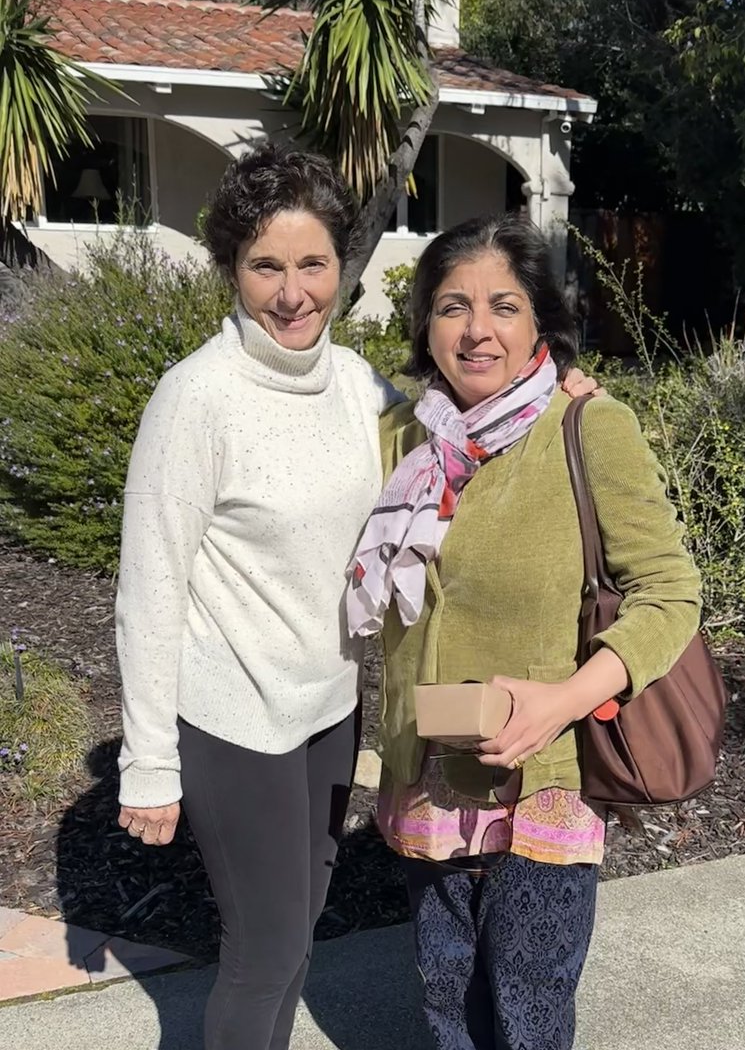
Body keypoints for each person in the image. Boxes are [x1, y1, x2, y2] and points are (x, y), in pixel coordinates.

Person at [115, 144, 600, 1050]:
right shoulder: (196, 400)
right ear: (231, 269)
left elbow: (463, 431)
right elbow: (148, 588)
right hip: (234, 718)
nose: (292, 292)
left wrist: (560, 385)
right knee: (262, 953)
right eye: (266, 266)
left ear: (345, 264)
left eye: (312, 263)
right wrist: (148, 761)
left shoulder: (361, 395)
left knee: (298, 943)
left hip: (330, 712)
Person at [347, 213, 702, 1050]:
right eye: (451, 306)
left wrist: (565, 700)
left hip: (543, 773)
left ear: (540, 321)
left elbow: (670, 593)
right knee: (444, 997)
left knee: (529, 1004)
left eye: (504, 306)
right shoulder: (399, 438)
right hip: (427, 768)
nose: (477, 330)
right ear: (424, 326)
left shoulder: (585, 428)